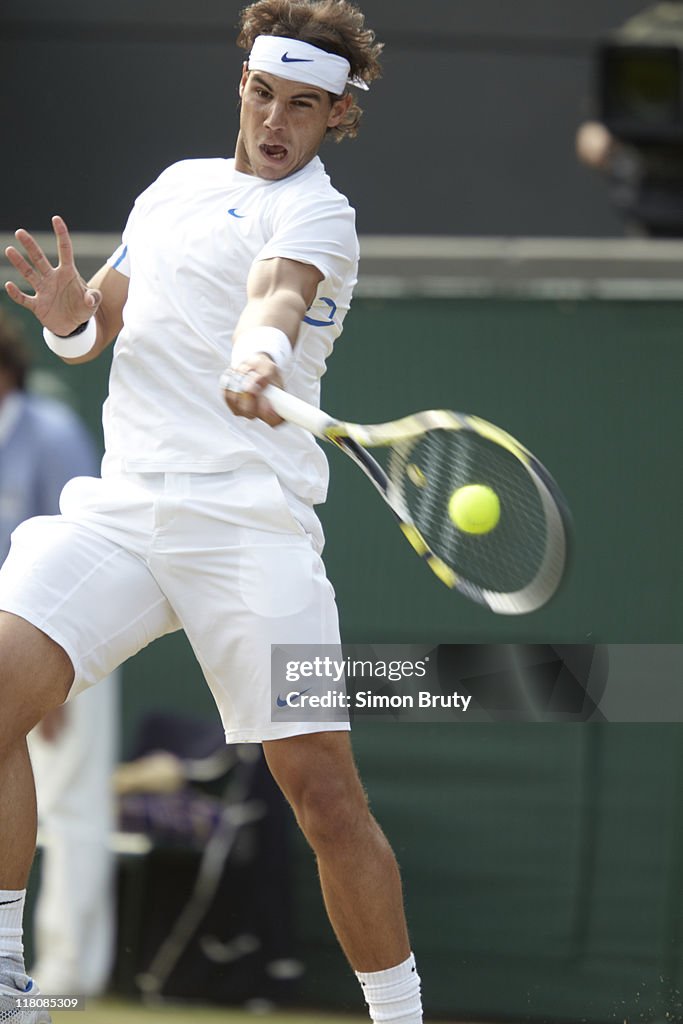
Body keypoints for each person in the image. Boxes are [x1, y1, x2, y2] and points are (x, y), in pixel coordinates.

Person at [0, 2, 423, 1022]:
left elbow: (276, 297)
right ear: (241, 83)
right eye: (263, 92)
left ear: (336, 118)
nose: (277, 119)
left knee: (323, 797)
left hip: (250, 527)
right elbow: (97, 320)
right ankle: (8, 977)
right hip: (126, 510)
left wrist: (261, 355)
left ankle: (399, 1015)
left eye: (304, 106)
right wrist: (67, 322)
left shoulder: (320, 214)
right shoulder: (174, 189)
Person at [0, 311, 118, 1003]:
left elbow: (86, 550)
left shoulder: (50, 432)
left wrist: (48, 681)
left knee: (70, 809)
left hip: (67, 641)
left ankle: (71, 973)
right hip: (9, 652)